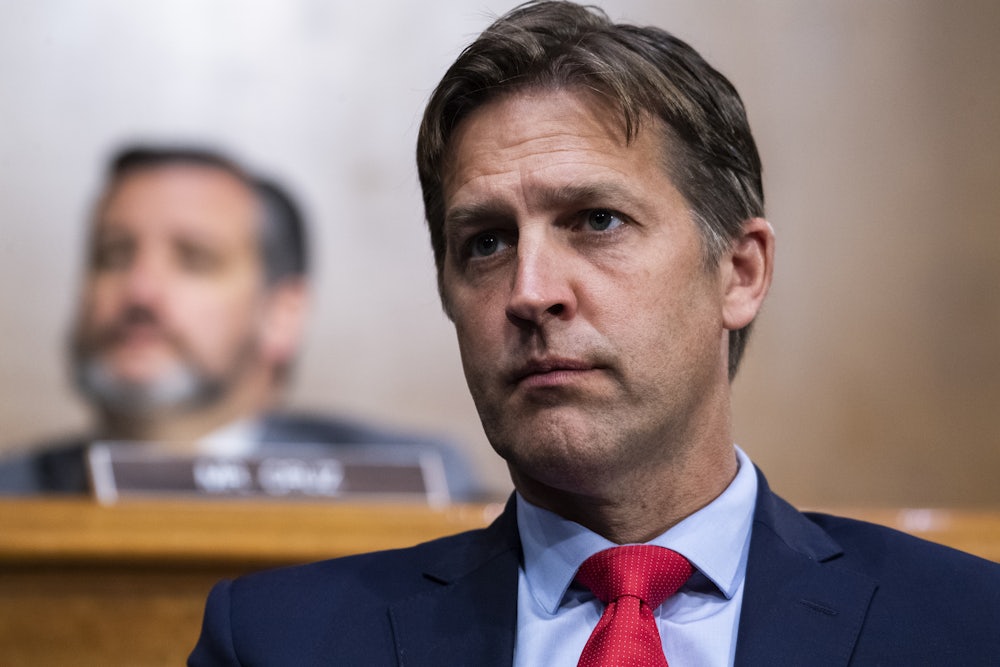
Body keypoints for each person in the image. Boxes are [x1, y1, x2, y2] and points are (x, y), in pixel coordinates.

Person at [188, 2, 1000, 665]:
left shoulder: (966, 627)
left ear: (740, 271)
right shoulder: (279, 642)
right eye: (486, 242)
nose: (530, 291)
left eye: (597, 220)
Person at [0, 144, 477, 500]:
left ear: (281, 314)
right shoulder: (13, 494)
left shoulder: (416, 490)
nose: (139, 290)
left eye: (194, 260)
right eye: (113, 256)